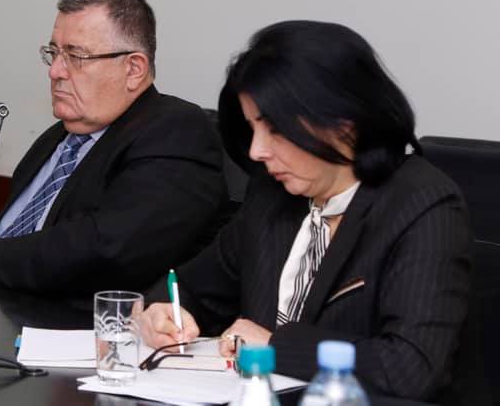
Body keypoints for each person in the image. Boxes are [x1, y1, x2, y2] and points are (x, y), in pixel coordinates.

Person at [138, 20, 484, 405]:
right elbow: (188, 285)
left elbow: (411, 368)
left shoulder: (422, 204)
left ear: (343, 123)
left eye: (274, 130)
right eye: (253, 129)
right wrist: (165, 311)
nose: (256, 151)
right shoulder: (273, 196)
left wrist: (275, 346)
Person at [0, 0, 229, 296]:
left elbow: (110, 246)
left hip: (78, 319)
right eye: (54, 53)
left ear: (133, 69)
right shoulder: (57, 138)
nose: (55, 71)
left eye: (76, 56)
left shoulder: (176, 131)